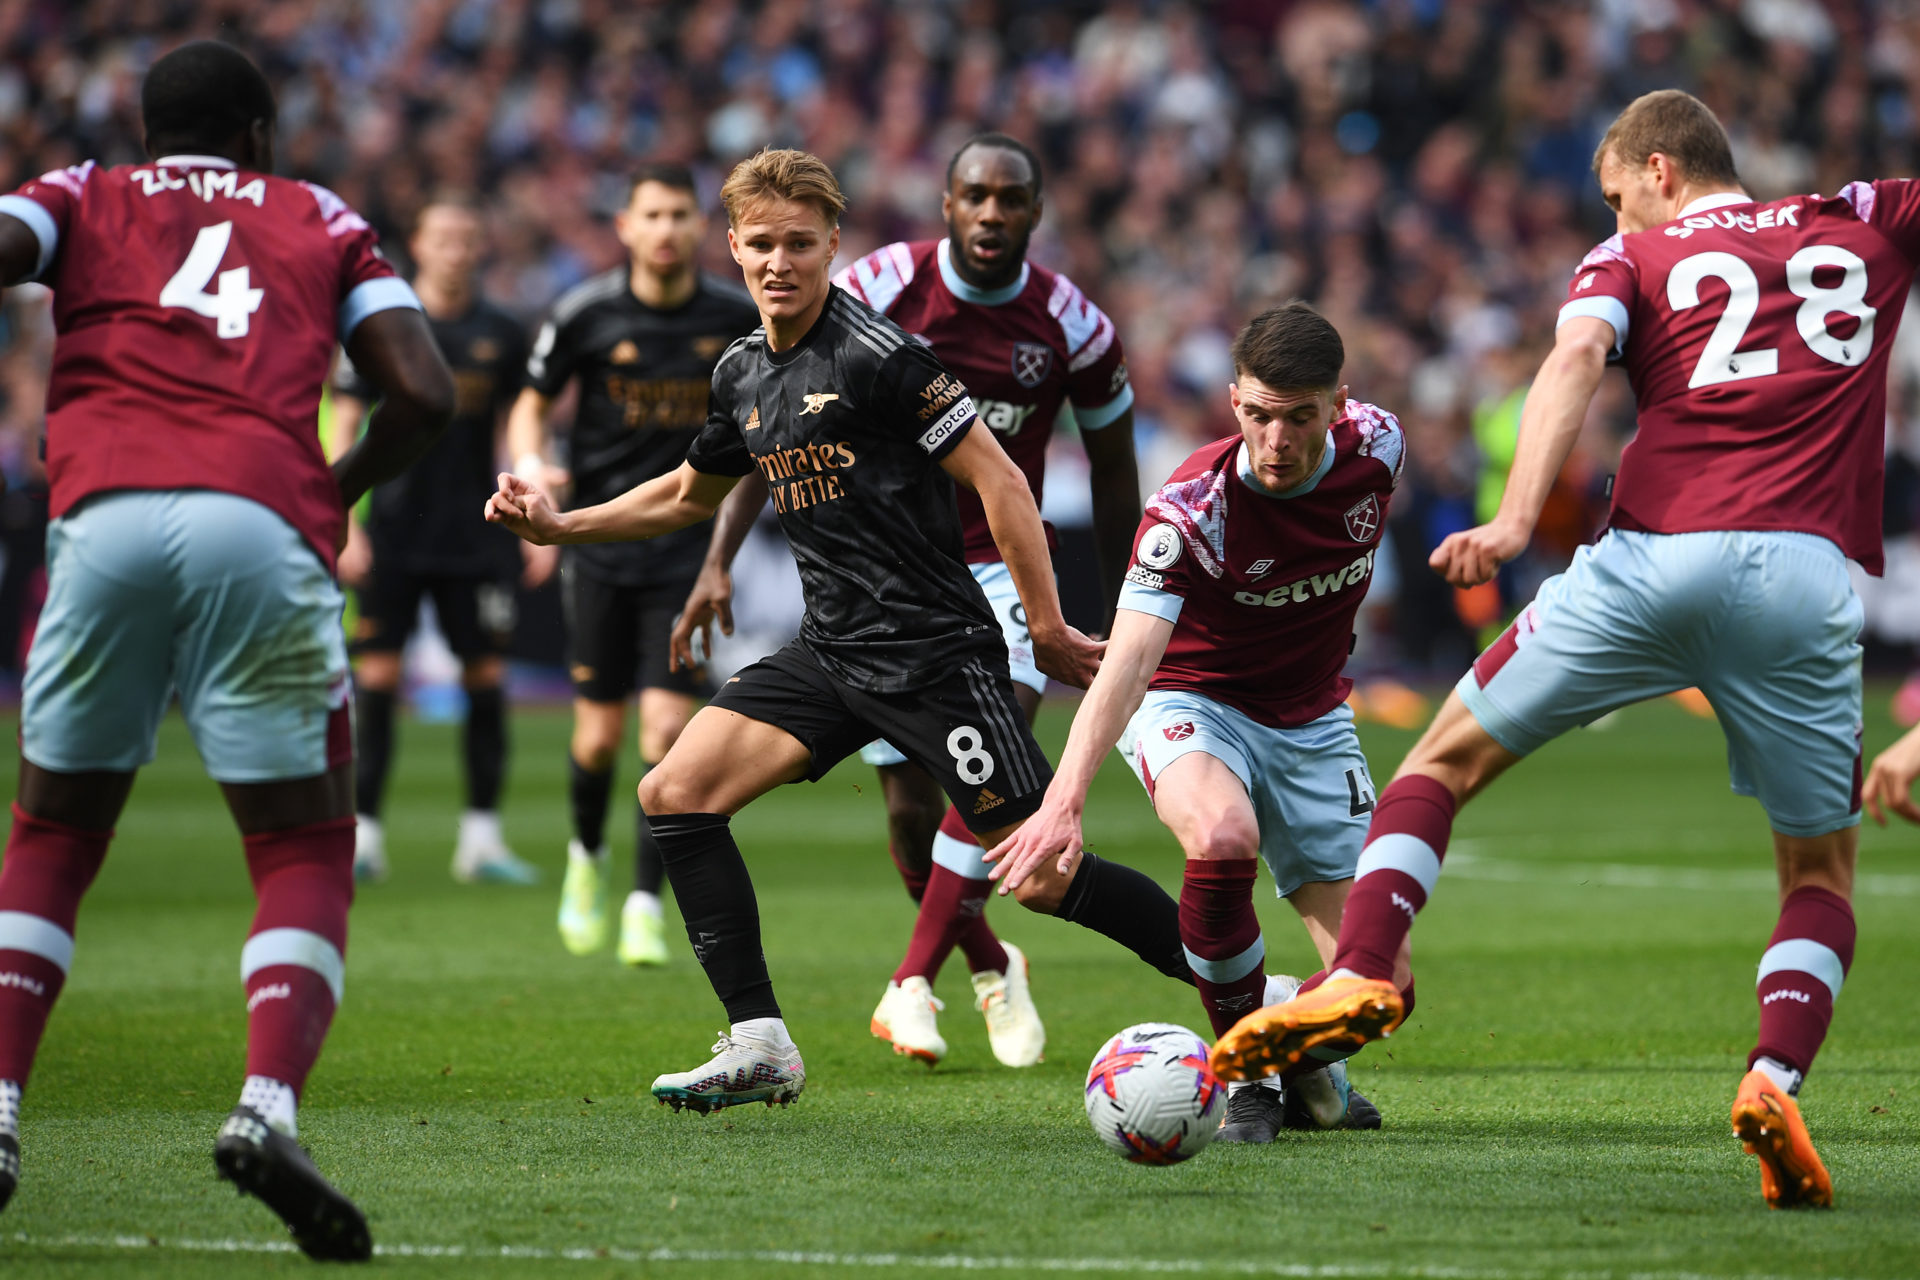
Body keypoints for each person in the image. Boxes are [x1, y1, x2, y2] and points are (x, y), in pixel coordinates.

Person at [1213, 90, 1915, 1210]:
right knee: (1822, 874)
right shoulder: (1864, 218)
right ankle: (1776, 1076)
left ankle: (1356, 970)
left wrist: (1510, 517)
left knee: (1438, 766)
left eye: (1615, 194)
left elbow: (1574, 361)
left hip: (1652, 559)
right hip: (1804, 574)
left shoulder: (1629, 259)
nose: (1616, 213)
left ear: (1657, 168)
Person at [487, 148, 1199, 1113]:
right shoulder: (742, 368)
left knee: (1045, 877)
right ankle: (761, 1042)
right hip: (832, 653)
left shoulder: (881, 356)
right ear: (732, 247)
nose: (779, 263)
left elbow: (1003, 481)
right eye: (761, 245)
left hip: (935, 655)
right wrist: (561, 524)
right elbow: (692, 491)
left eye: (800, 244)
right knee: (676, 791)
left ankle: (1252, 1001)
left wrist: (1045, 628)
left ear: (833, 246)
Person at [0, 41, 453, 1256]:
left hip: (101, 512)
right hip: (260, 514)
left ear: (152, 134)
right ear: (258, 134)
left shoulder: (82, 194)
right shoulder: (321, 214)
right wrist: (330, 486)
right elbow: (424, 388)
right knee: (301, 839)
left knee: (52, 831)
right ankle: (264, 1109)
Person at [672, 133, 1141, 1070]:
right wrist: (715, 558)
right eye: (976, 195)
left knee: (1000, 755)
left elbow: (1112, 463)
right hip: (870, 590)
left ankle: (911, 975)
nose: (992, 214)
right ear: (948, 204)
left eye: (1012, 199)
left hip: (998, 572)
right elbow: (775, 430)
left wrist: (1129, 598)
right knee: (907, 822)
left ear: (1036, 213)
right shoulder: (884, 284)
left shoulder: (1075, 326)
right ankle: (989, 960)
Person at [988, 303, 1396, 1141]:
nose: (1274, 440)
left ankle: (1305, 1054)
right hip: (1193, 700)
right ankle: (1245, 1069)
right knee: (1220, 836)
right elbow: (1127, 665)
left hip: (1316, 719)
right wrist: (1064, 801)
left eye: (1298, 418)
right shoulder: (1188, 511)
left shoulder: (1380, 446)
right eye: (1256, 414)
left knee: (1378, 987)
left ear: (1340, 405)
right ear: (1235, 399)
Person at [503, 165, 760, 964]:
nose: (666, 229)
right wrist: (530, 461)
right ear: (625, 226)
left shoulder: (733, 315)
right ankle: (586, 862)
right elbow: (532, 401)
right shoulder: (585, 313)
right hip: (600, 545)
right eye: (652, 214)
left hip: (686, 550)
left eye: (681, 214)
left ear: (699, 228)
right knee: (595, 740)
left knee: (664, 729)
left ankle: (647, 903)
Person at [330, 194, 539, 886]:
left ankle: (480, 841)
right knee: (377, 678)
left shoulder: (503, 333)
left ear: (480, 248)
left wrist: (532, 515)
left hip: (477, 533)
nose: (456, 248)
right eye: (443, 236)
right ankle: (364, 838)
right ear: (417, 245)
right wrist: (345, 518)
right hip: (391, 532)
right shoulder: (382, 326)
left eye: (468, 236)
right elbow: (345, 419)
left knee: (486, 678)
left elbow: (516, 428)